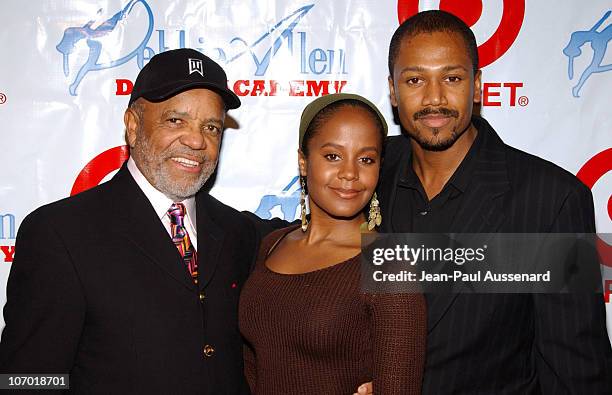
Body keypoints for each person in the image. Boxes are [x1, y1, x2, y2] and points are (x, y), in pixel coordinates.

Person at [373, 10, 611, 394]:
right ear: (393, 90)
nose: (434, 99)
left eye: (452, 78)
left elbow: (576, 370)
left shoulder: (550, 200)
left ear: (478, 85)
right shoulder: (367, 176)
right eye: (415, 79)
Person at [0, 49, 258, 393]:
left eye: (210, 127)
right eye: (175, 120)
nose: (196, 141)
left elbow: (336, 239)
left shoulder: (238, 232)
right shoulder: (59, 234)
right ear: (133, 126)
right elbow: (27, 382)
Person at [239, 93, 427, 394]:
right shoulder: (272, 244)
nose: (350, 173)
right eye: (332, 156)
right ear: (303, 162)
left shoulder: (389, 265)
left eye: (366, 159)